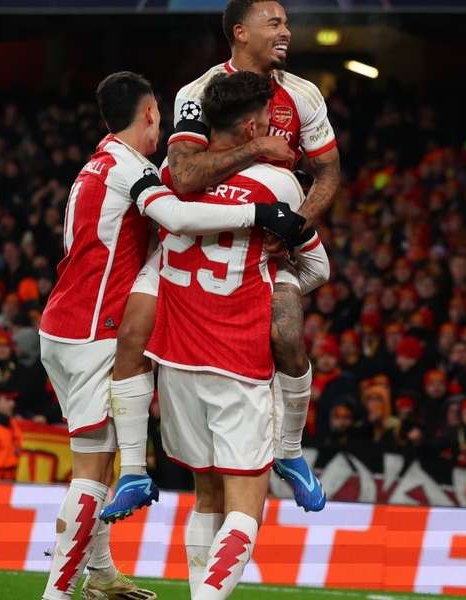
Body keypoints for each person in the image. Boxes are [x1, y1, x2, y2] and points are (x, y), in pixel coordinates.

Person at [36, 71, 302, 600]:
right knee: (91, 472)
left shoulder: (100, 160)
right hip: (96, 329)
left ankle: (103, 572)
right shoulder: (133, 170)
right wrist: (262, 213)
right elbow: (177, 215)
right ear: (153, 114)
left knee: (102, 456)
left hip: (63, 324)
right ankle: (58, 594)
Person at [105, 0, 340, 516]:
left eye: (286, 22)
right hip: (195, 237)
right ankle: (132, 470)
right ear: (240, 32)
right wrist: (255, 153)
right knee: (132, 330)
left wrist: (297, 225)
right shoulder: (198, 93)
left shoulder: (303, 96)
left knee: (285, 332)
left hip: (263, 243)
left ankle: (292, 452)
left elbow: (327, 175)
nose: (286, 31)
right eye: (274, 23)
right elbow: (185, 176)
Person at [140, 71, 329, 599]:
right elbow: (318, 268)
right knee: (246, 508)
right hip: (237, 359)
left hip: (175, 359)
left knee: (207, 497)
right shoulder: (280, 186)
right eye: (268, 120)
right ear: (250, 127)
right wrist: (280, 275)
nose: (274, 129)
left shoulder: (169, 178)